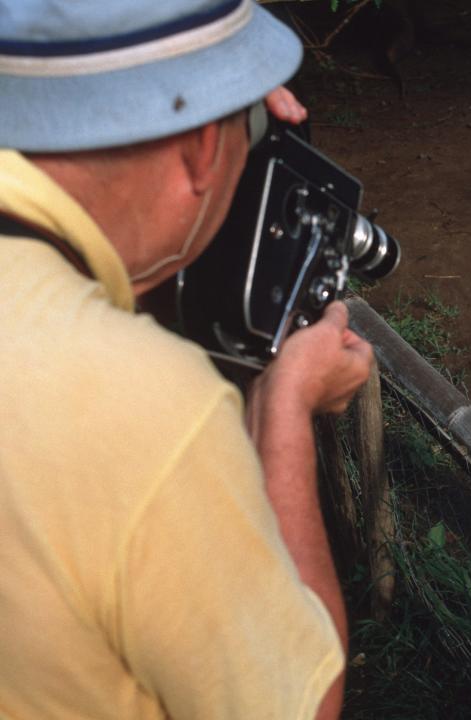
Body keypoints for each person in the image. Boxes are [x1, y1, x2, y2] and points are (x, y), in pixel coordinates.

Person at [0, 1, 373, 718]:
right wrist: (284, 406)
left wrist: (215, 109)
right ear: (202, 148)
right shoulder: (146, 405)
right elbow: (303, 706)